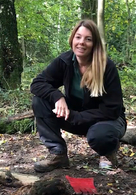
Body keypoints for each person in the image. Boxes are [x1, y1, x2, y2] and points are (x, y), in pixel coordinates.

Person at [30, 19, 127, 173]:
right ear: (72, 39)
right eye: (78, 37)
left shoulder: (106, 67)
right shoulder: (65, 61)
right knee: (40, 100)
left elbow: (112, 110)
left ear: (94, 43)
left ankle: (107, 153)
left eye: (88, 39)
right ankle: (58, 154)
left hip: (107, 120)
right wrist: (57, 97)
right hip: (76, 115)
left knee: (100, 135)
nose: (82, 42)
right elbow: (37, 83)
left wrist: (77, 117)